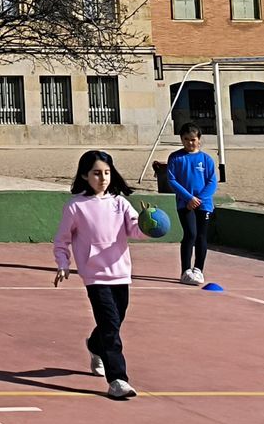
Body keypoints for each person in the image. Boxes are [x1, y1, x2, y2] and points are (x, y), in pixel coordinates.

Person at [52, 149, 147, 400]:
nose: (102, 178)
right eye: (96, 173)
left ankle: (94, 346)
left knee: (114, 321)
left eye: (106, 172)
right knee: (110, 327)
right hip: (94, 276)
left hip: (121, 273)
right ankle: (118, 379)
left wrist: (149, 224)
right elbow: (61, 240)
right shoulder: (76, 206)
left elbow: (135, 230)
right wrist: (63, 263)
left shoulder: (120, 203)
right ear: (84, 175)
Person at [167, 121, 217, 286]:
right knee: (190, 234)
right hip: (185, 204)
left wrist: (199, 199)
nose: (190, 142)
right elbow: (172, 180)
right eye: (186, 139)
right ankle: (185, 271)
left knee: (202, 236)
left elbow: (211, 182)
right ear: (181, 139)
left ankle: (198, 269)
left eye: (193, 139)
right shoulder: (175, 158)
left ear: (199, 140)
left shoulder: (206, 159)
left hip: (204, 205)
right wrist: (188, 198)